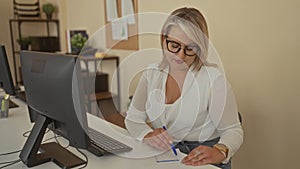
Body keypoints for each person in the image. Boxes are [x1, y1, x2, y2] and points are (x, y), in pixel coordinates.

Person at [125, 7, 243, 169]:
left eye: (190, 48)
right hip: (168, 154)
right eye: (174, 45)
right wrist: (147, 134)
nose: (180, 56)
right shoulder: (151, 75)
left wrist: (220, 151)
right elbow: (133, 119)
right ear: (163, 40)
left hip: (204, 157)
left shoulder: (214, 81)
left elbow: (233, 131)